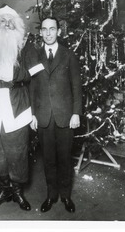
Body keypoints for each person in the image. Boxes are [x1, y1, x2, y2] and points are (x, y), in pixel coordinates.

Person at [0, 5, 40, 211]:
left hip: (18, 104)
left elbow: (35, 80)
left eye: (10, 21)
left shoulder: (26, 47)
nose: (6, 24)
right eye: (2, 21)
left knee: (17, 151)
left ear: (17, 25)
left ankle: (18, 192)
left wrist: (34, 112)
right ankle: (4, 191)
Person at [29, 17, 83, 213]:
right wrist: (33, 114)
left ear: (59, 31)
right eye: (45, 29)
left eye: (52, 29)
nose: (49, 33)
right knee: (48, 159)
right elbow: (32, 88)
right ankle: (51, 196)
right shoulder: (35, 56)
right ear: (41, 33)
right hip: (43, 117)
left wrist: (76, 113)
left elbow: (77, 88)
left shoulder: (69, 55)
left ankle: (66, 196)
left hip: (65, 117)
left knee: (64, 158)